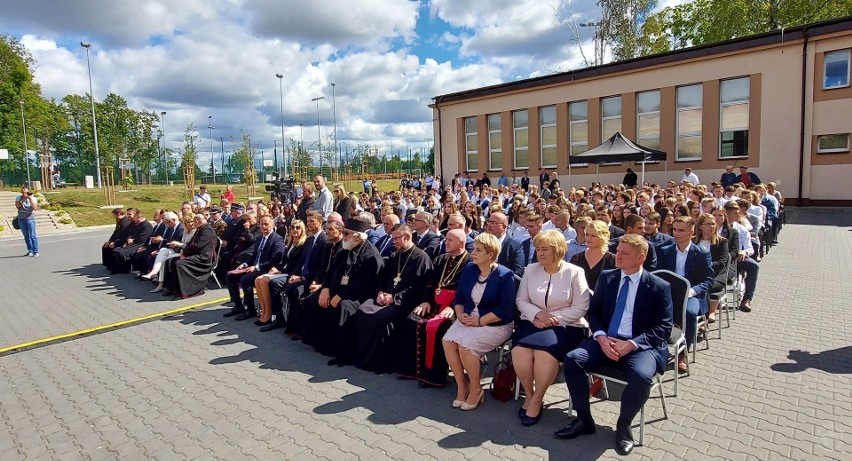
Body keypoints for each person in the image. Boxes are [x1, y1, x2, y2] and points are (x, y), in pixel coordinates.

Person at [555, 234, 673, 456]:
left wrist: (631, 344)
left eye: (624, 253)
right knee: (573, 359)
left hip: (641, 346)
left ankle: (624, 425)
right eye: (617, 251)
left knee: (640, 375)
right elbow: (595, 312)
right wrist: (600, 336)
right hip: (606, 339)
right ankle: (584, 420)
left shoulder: (658, 286)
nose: (617, 256)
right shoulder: (607, 278)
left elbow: (664, 328)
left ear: (641, 257)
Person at [513, 230, 590, 426]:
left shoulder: (574, 272)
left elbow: (581, 307)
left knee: (544, 354)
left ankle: (537, 398)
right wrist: (538, 315)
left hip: (566, 325)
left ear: (558, 250)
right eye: (538, 249)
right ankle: (529, 395)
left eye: (545, 249)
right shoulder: (531, 269)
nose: (540, 253)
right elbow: (521, 300)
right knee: (520, 351)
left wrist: (552, 319)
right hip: (532, 321)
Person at [442, 233, 516, 411]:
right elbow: (459, 297)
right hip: (468, 317)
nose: (472, 253)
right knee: (448, 342)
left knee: (466, 347)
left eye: (478, 250)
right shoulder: (470, 269)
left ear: (490, 255)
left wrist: (480, 321)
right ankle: (462, 386)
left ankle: (476, 389)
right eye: (473, 249)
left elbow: (506, 310)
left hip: (495, 323)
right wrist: (459, 315)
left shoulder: (505, 276)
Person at [349, 223, 432, 373]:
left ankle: (380, 363)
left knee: (380, 317)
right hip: (386, 297)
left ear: (406, 237)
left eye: (395, 239)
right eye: (392, 239)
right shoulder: (395, 255)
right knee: (362, 310)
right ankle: (363, 358)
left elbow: (418, 288)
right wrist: (380, 292)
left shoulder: (422, 258)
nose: (393, 242)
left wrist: (394, 298)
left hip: (404, 302)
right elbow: (383, 278)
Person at [397, 229, 471, 386]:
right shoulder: (440, 259)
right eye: (446, 239)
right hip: (434, 304)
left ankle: (433, 376)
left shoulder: (469, 264)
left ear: (461, 243)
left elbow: (467, 291)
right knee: (411, 320)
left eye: (451, 240)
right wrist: (426, 301)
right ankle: (411, 370)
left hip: (454, 308)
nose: (446, 242)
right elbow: (430, 284)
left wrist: (453, 306)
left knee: (439, 327)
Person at [303, 218, 383, 362]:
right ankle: (321, 343)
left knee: (343, 307)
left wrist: (340, 295)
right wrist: (325, 288)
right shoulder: (346, 248)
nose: (343, 236)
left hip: (359, 295)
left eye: (346, 234)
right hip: (338, 290)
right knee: (315, 299)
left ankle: (342, 354)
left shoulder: (371, 256)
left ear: (357, 237)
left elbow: (363, 284)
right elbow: (330, 271)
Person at [656, 216, 714, 373]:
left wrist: (692, 291)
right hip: (668, 293)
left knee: (688, 313)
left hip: (691, 294)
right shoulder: (664, 250)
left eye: (681, 230)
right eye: (674, 229)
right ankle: (654, 350)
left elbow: (708, 281)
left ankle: (682, 354)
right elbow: (658, 275)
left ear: (692, 232)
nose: (676, 233)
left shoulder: (702, 253)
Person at [253, 220, 307, 327]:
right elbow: (285, 261)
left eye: (298, 228)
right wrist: (277, 269)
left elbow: (296, 264)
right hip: (283, 271)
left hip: (291, 274)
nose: (294, 230)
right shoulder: (291, 242)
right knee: (258, 280)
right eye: (292, 227)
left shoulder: (303, 245)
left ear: (302, 230)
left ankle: (269, 314)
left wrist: (280, 271)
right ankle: (263, 312)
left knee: (264, 281)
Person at [162, 214, 217, 298]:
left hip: (204, 258)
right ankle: (172, 289)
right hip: (195, 254)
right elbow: (191, 244)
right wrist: (183, 252)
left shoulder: (207, 230)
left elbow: (197, 246)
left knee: (179, 264)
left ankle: (186, 291)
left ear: (197, 221)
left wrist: (185, 253)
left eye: (193, 222)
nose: (193, 224)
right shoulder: (200, 229)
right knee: (169, 261)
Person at [693, 213, 730, 325]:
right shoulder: (693, 241)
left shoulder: (722, 242)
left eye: (713, 224)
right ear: (700, 226)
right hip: (696, 274)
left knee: (703, 287)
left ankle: (706, 317)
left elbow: (721, 263)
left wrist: (703, 266)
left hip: (716, 275)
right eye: (708, 224)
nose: (712, 226)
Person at [571, 220, 615, 290]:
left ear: (603, 237)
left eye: (593, 236)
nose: (588, 238)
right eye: (587, 235)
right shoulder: (576, 258)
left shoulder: (612, 260)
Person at [484, 211, 525, 279]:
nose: (489, 225)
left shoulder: (515, 246)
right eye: (489, 221)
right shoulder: (482, 242)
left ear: (503, 226)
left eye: (494, 222)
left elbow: (518, 272)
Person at [15, 186, 40, 257]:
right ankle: (30, 250)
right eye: (23, 192)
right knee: (26, 236)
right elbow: (17, 206)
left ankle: (35, 251)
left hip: (30, 218)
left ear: (28, 192)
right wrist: (23, 199)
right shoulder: (18, 198)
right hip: (21, 219)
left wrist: (30, 199)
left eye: (26, 192)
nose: (24, 193)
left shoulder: (33, 198)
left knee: (33, 235)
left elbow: (35, 208)